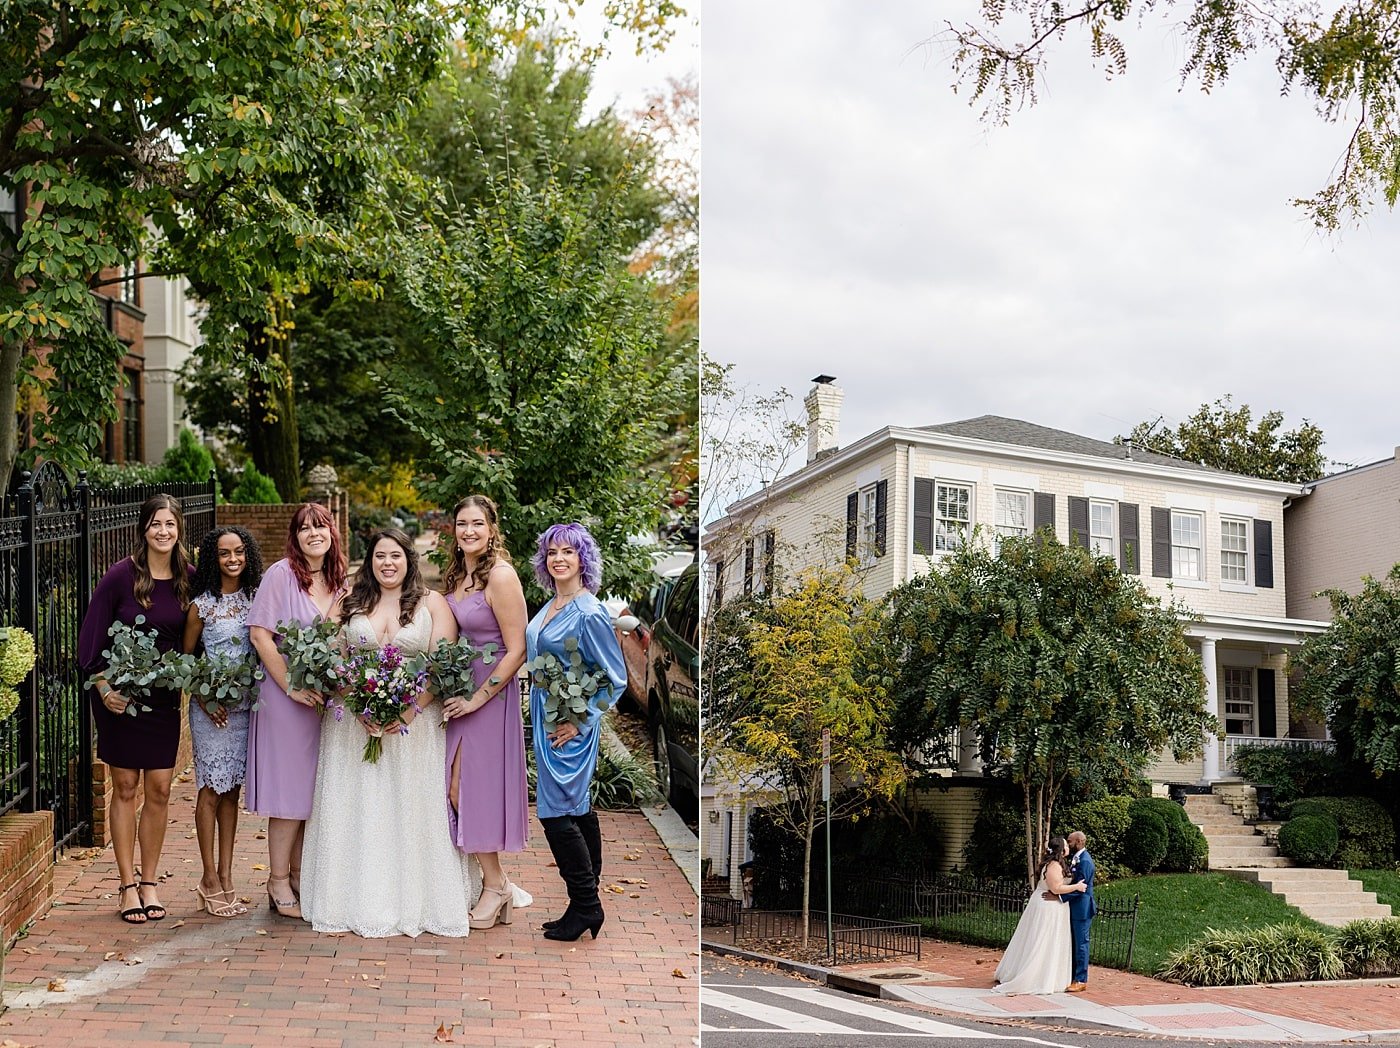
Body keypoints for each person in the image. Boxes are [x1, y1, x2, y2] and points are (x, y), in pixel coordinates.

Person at [299, 528, 483, 937]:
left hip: (412, 730)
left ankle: (415, 899)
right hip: (352, 726)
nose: (387, 563)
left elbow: (440, 663)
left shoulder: (432, 602)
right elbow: (330, 657)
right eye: (380, 556)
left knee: (407, 808)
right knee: (359, 806)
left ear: (408, 560)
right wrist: (357, 704)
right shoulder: (348, 601)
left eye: (395, 556)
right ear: (370, 561)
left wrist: (408, 712)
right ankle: (350, 897)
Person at [78, 494, 193, 924]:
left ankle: (150, 882)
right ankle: (127, 885)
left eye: (170, 524)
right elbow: (90, 640)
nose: (163, 532)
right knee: (125, 785)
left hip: (162, 700)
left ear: (179, 530)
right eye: (155, 524)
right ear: (143, 529)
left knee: (160, 788)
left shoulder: (189, 579)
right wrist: (105, 688)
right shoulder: (119, 577)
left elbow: (197, 642)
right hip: (118, 698)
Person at [525, 522, 626, 942]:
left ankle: (587, 904)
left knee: (555, 811)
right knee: (576, 807)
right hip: (547, 716)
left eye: (568, 551)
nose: (559, 559)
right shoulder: (553, 603)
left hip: (569, 726)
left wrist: (579, 720)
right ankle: (582, 904)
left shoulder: (588, 611)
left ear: (583, 558)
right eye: (552, 553)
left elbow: (615, 678)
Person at [246, 503, 347, 919]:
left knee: (312, 792)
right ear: (296, 536)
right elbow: (259, 635)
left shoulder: (341, 582)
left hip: (323, 702)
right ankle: (276, 879)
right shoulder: (280, 575)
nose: (313, 534)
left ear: (331, 533)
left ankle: (302, 873)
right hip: (285, 698)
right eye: (304, 529)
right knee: (288, 794)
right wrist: (291, 685)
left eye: (319, 527)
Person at [440, 495, 530, 930]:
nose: (469, 531)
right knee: (453, 787)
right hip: (459, 692)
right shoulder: (459, 574)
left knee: (465, 789)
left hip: (489, 697)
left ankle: (495, 886)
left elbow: (518, 649)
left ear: (492, 529)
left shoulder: (501, 576)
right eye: (461, 524)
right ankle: (495, 884)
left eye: (477, 523)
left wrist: (479, 696)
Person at [181, 526, 263, 919]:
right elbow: (187, 660)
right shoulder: (202, 605)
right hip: (210, 711)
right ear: (213, 560)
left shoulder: (256, 599)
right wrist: (206, 698)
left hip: (245, 707)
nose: (233, 559)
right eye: (224, 554)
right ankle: (208, 878)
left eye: (239, 552)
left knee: (231, 791)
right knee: (210, 790)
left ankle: (229, 876)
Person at [992, 837, 1087, 995]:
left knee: (1046, 941)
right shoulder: (1053, 865)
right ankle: (1037, 976)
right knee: (1043, 940)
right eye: (1065, 845)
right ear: (1061, 850)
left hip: (1053, 906)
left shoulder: (1055, 863)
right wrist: (1076, 886)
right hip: (1048, 908)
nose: (1068, 847)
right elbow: (1056, 888)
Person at [1065, 829, 1098, 992]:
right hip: (1074, 907)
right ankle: (1072, 975)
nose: (1068, 844)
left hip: (1082, 909)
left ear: (1079, 842)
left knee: (1081, 944)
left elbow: (1081, 888)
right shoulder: (1076, 858)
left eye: (1070, 841)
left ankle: (1080, 979)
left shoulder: (1084, 861)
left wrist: (1059, 897)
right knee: (1074, 943)